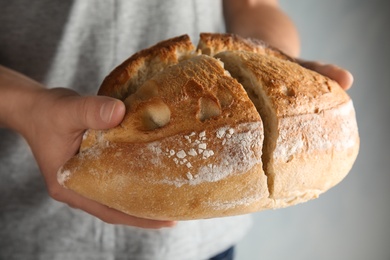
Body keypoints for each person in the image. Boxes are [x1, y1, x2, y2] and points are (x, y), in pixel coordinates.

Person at [0, 0, 353, 259]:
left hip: (204, 233)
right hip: (34, 227)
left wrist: (271, 64)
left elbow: (255, 5)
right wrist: (27, 108)